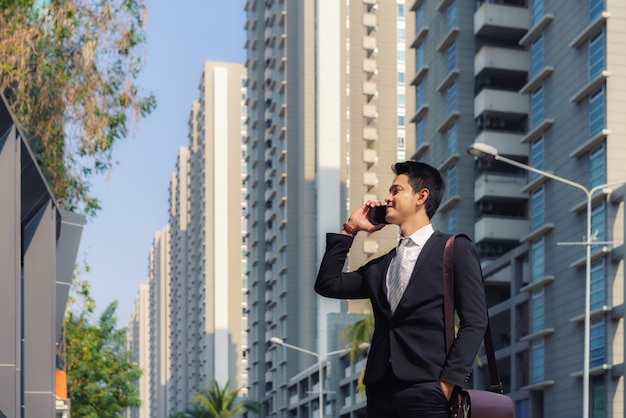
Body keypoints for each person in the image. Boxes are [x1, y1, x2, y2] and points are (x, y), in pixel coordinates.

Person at [315, 161, 488, 417]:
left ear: (421, 196)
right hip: (380, 393)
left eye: (396, 190)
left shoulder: (454, 249)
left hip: (428, 390)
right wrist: (350, 229)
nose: (387, 197)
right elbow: (328, 284)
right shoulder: (382, 266)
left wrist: (446, 384)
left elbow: (475, 321)